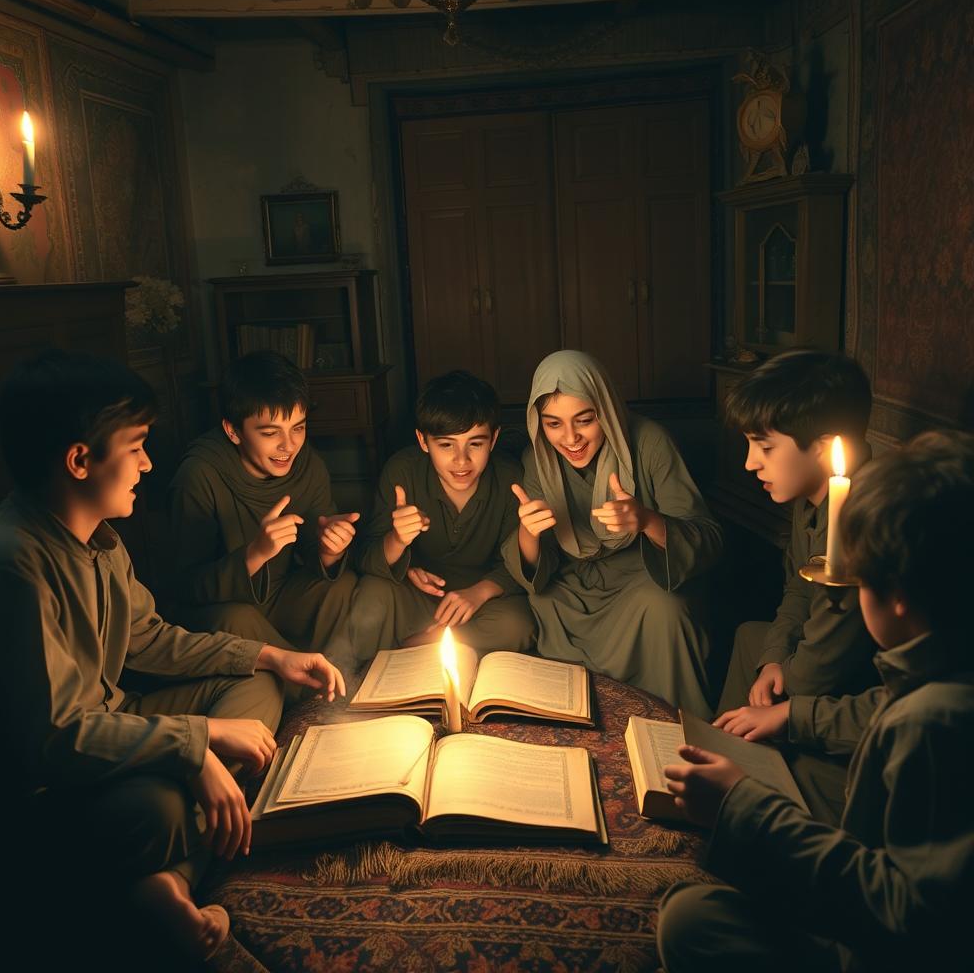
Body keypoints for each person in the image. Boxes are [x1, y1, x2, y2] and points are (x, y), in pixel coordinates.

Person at [0, 350, 345, 966]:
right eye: (135, 447)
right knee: (162, 807)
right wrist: (195, 747)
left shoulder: (99, 541)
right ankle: (171, 865)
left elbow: (153, 639)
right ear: (80, 460)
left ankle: (164, 881)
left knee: (258, 688)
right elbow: (53, 737)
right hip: (41, 787)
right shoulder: (7, 565)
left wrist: (270, 655)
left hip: (119, 718)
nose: (148, 463)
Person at [657, 429, 974, 973]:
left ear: (893, 596)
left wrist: (745, 805)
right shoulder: (937, 671)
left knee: (690, 920)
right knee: (691, 913)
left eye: (860, 582)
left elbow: (906, 913)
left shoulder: (934, 721)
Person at [502, 350, 722, 718]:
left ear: (605, 407)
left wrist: (646, 520)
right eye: (553, 424)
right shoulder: (536, 457)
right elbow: (537, 565)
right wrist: (529, 533)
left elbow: (709, 539)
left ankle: (670, 734)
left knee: (665, 609)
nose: (570, 438)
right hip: (571, 585)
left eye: (585, 420)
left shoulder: (651, 442)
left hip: (642, 577)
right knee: (546, 602)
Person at [713, 351, 877, 821]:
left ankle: (747, 793)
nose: (749, 463)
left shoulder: (862, 517)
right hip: (819, 657)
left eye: (764, 448)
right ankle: (726, 759)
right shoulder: (811, 496)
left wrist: (786, 690)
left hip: (858, 686)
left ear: (824, 447)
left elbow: (826, 660)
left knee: (778, 704)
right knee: (752, 639)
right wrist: (773, 657)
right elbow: (798, 588)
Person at [168, 350, 358, 657]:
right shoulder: (199, 474)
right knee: (237, 619)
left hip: (280, 595)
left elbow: (315, 552)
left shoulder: (308, 464)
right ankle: (312, 687)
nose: (289, 445)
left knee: (340, 586)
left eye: (298, 427)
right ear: (233, 431)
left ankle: (331, 678)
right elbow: (186, 587)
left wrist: (329, 551)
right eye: (270, 433)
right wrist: (255, 554)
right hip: (222, 607)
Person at [351, 370, 534, 658]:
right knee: (373, 595)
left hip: (482, 604)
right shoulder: (402, 471)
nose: (461, 460)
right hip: (419, 598)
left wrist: (481, 591)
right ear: (424, 442)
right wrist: (398, 541)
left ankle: (420, 645)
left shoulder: (510, 477)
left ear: (494, 439)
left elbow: (519, 566)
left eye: (475, 443)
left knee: (519, 625)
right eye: (446, 445)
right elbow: (365, 556)